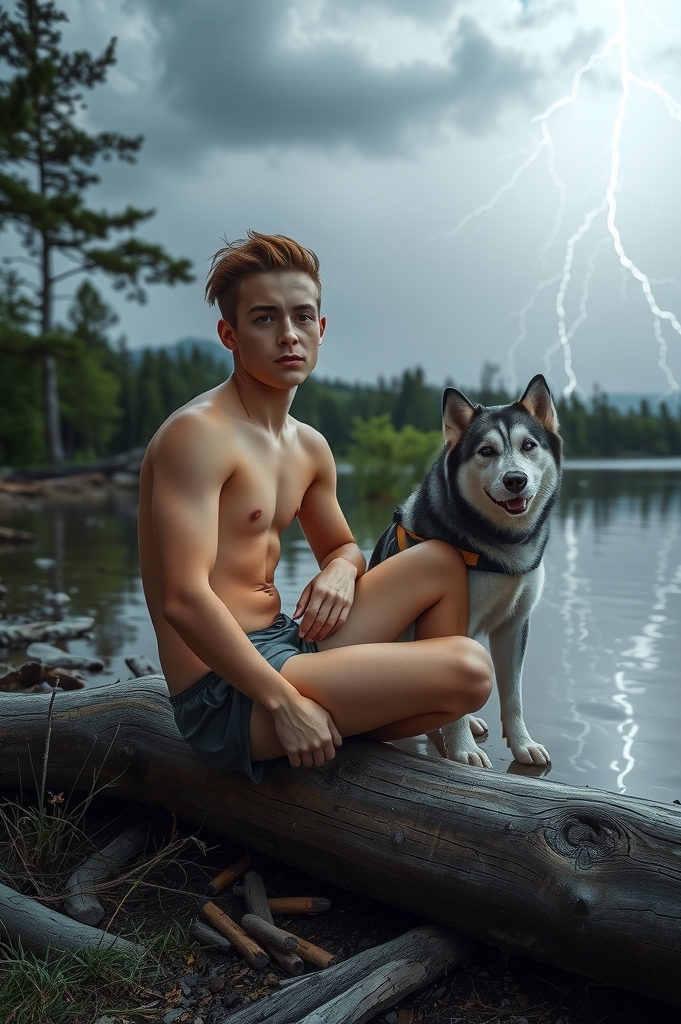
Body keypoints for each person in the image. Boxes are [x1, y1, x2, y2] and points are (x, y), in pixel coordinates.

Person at [138, 231, 492, 782]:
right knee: (471, 671)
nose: (288, 335)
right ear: (228, 335)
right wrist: (284, 703)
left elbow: (346, 548)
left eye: (303, 317)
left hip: (286, 639)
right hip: (224, 694)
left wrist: (341, 572)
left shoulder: (307, 446)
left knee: (441, 560)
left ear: (321, 330)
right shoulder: (198, 435)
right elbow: (182, 599)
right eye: (264, 319)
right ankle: (360, 716)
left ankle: (416, 724)